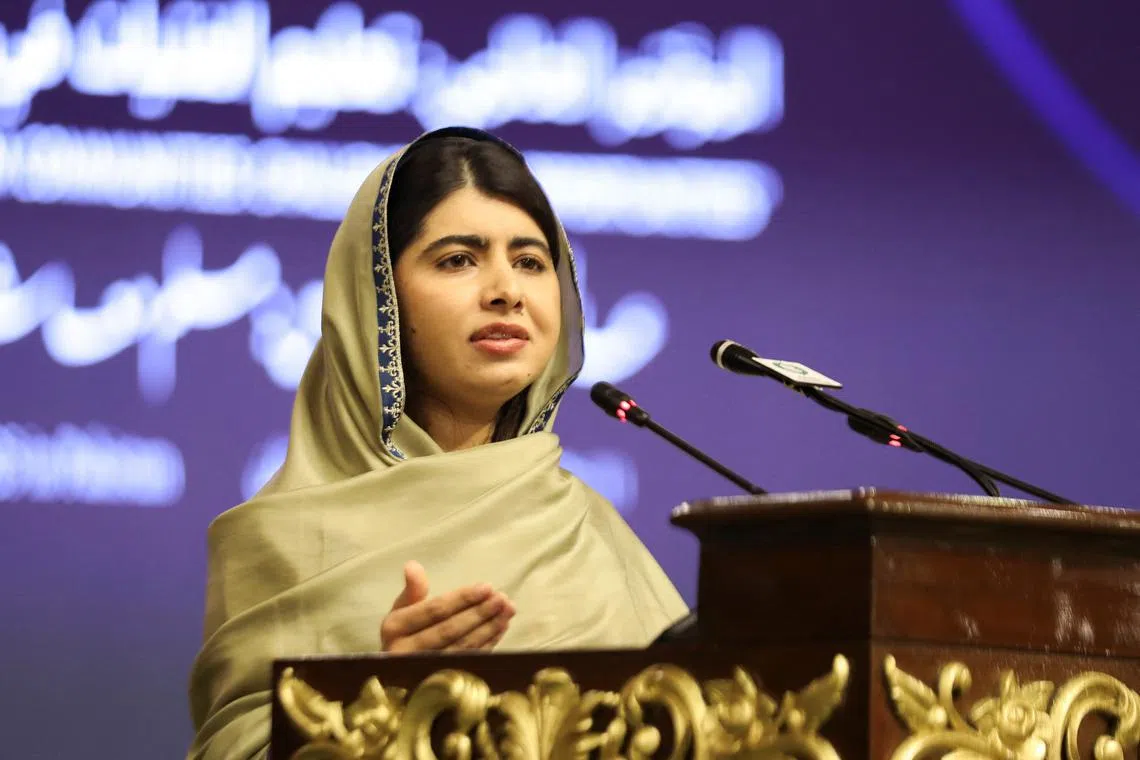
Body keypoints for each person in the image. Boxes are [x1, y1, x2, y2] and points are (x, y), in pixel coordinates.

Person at [186, 127, 688, 760]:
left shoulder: (586, 528)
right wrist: (389, 709)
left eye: (532, 262)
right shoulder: (280, 541)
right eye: (458, 259)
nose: (506, 289)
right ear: (379, 299)